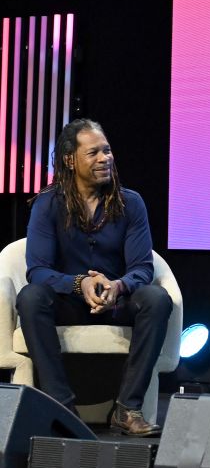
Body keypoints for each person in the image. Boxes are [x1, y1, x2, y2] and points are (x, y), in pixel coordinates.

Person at [17, 119, 172, 436]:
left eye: (107, 150)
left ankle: (127, 409)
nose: (105, 158)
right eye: (94, 153)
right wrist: (78, 283)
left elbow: (143, 267)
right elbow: (38, 270)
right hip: (68, 303)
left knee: (156, 298)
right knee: (30, 296)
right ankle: (61, 408)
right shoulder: (48, 204)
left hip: (115, 304)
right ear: (70, 160)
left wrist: (119, 286)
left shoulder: (131, 203)